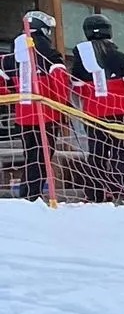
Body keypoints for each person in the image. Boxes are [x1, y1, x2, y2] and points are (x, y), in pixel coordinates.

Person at [69, 15, 124, 204]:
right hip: (120, 113)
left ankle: (95, 193)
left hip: (93, 114)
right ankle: (118, 191)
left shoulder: (81, 58)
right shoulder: (119, 56)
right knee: (121, 153)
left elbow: (76, 87)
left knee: (97, 154)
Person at [12, 12, 73, 202]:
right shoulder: (47, 51)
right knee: (42, 157)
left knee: (31, 156)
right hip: (46, 114)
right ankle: (32, 196)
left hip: (22, 114)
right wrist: (63, 108)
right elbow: (60, 83)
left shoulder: (13, 51)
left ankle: (28, 194)